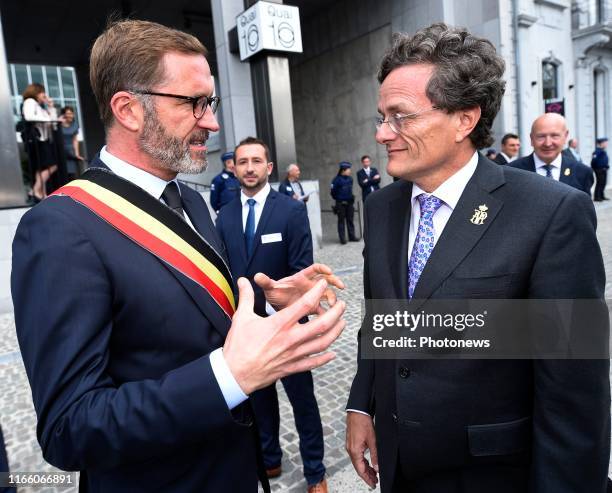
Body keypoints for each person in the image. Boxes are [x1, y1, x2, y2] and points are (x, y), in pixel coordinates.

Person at [12, 20, 346, 493]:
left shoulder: (188, 200)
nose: (211, 122)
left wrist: (266, 302)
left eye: (209, 102)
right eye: (194, 103)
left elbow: (196, 319)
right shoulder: (59, 228)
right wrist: (228, 377)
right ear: (128, 109)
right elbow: (70, 428)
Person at [345, 23, 609, 493]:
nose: (382, 133)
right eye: (382, 116)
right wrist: (361, 406)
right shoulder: (382, 208)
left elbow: (574, 397)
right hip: (401, 465)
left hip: (493, 475)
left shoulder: (552, 212)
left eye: (400, 116)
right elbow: (381, 319)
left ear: (465, 119)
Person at [216, 137, 327, 493]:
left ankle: (316, 472)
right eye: (242, 161)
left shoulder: (291, 212)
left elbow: (302, 272)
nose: (248, 167)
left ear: (269, 167)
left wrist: (292, 311)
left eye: (256, 161)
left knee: (303, 403)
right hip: (247, 331)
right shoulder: (225, 216)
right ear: (234, 168)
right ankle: (270, 458)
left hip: (288, 328)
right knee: (260, 402)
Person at [510, 113, 593, 195]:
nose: (548, 143)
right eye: (541, 136)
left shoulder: (582, 172)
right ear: (531, 139)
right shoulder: (511, 172)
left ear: (565, 136)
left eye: (554, 136)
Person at [20, 83, 61, 201]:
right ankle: (35, 190)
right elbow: (29, 117)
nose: (45, 95)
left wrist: (51, 106)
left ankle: (41, 193)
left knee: (41, 169)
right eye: (43, 92)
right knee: (53, 166)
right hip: (38, 141)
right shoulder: (29, 102)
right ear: (37, 92)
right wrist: (50, 119)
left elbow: (52, 124)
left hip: (43, 140)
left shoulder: (40, 107)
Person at [331, 161, 358, 244]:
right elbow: (333, 192)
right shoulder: (336, 180)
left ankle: (352, 236)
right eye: (348, 170)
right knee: (341, 221)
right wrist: (339, 199)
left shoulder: (350, 179)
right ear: (343, 170)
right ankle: (342, 239)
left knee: (350, 220)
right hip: (340, 203)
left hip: (349, 203)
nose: (350, 171)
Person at [59, 106, 85, 180]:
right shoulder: (59, 125)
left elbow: (75, 140)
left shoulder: (75, 125)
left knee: (72, 173)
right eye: (68, 113)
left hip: (70, 151)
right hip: (61, 150)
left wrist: (76, 154)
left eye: (71, 113)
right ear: (64, 115)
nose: (70, 115)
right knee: (62, 173)